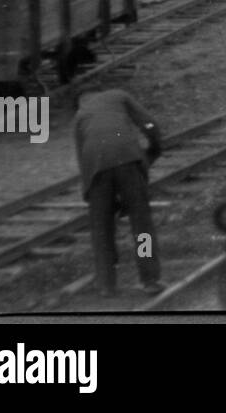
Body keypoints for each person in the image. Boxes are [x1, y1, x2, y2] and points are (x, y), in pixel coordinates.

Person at [72, 79, 165, 297]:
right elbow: (149, 124)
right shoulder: (118, 94)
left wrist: (93, 194)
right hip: (128, 159)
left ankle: (106, 285)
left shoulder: (79, 117)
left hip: (96, 169)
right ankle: (149, 279)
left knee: (101, 229)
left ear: (80, 100)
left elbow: (81, 158)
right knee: (141, 224)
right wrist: (154, 149)